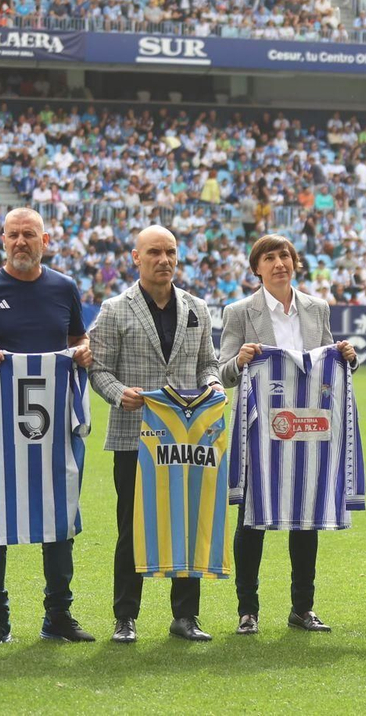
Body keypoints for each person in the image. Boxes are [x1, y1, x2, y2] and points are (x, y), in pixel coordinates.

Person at [0, 207, 93, 646]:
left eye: (29, 235)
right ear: (2, 240)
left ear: (45, 241)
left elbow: (77, 339)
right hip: (1, 431)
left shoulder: (63, 287)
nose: (21, 242)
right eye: (13, 235)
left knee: (60, 515)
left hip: (53, 429)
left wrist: (85, 351)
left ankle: (58, 615)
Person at [87, 225, 221, 644]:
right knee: (132, 527)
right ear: (135, 257)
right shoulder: (114, 309)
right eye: (154, 253)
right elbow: (98, 368)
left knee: (187, 521)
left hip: (187, 437)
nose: (164, 260)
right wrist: (116, 392)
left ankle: (186, 616)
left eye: (170, 252)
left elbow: (209, 364)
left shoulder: (196, 307)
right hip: (134, 436)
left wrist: (214, 384)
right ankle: (125, 617)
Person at [218, 234, 357, 635]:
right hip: (260, 431)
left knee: (306, 517)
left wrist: (349, 357)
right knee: (251, 520)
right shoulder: (240, 311)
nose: (279, 263)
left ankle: (303, 607)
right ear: (256, 268)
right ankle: (248, 609)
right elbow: (222, 369)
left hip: (308, 428)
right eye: (269, 258)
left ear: (294, 262)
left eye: (285, 256)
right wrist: (239, 360)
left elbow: (332, 364)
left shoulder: (317, 308)